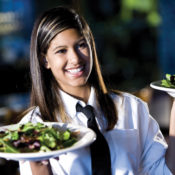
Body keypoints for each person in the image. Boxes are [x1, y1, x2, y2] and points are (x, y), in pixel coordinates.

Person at [18, 6, 175, 175]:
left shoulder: (131, 107)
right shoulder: (33, 128)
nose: (75, 58)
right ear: (45, 60)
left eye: (81, 45)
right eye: (61, 51)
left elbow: (163, 171)